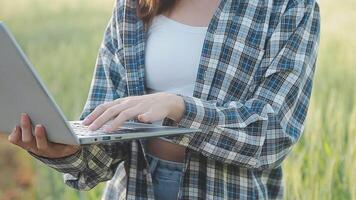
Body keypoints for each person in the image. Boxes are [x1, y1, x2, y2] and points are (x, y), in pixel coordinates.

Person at [8, 0, 320, 199]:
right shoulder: (132, 6)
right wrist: (66, 150)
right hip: (133, 191)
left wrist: (179, 108)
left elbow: (274, 135)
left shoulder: (289, 7)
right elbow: (102, 144)